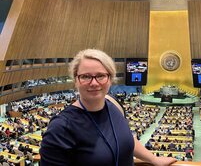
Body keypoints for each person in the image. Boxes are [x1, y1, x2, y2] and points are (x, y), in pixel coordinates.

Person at [40, 49, 177, 166]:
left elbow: (126, 138)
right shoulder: (61, 128)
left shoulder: (115, 105)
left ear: (110, 79)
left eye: (100, 76)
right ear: (76, 80)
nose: (94, 83)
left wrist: (154, 159)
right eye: (86, 76)